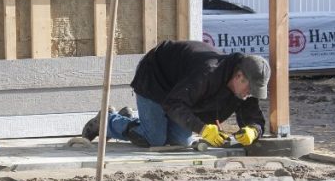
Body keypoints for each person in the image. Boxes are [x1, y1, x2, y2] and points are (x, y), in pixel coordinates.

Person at [82, 40, 270, 149]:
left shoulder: (244, 85)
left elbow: (253, 117)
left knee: (181, 141)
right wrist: (203, 129)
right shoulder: (207, 73)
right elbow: (173, 104)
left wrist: (254, 130)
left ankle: (131, 120)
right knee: (154, 139)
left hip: (179, 92)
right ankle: (107, 122)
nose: (249, 94)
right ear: (239, 76)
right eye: (248, 89)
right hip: (155, 79)